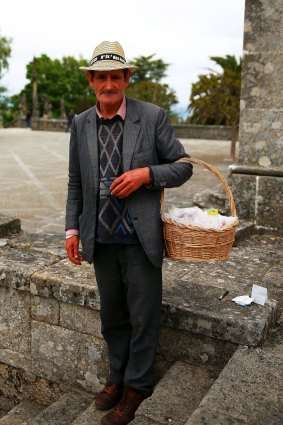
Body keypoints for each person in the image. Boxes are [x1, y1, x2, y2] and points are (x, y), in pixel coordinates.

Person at [65, 40, 193, 425]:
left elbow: (183, 165)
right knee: (112, 319)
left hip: (140, 242)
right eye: (100, 77)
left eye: (115, 77)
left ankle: (137, 388)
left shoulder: (151, 117)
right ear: (91, 81)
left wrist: (147, 174)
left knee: (143, 319)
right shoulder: (81, 123)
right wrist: (72, 229)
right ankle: (116, 379)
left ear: (126, 78)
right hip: (100, 242)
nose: (108, 84)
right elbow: (75, 183)